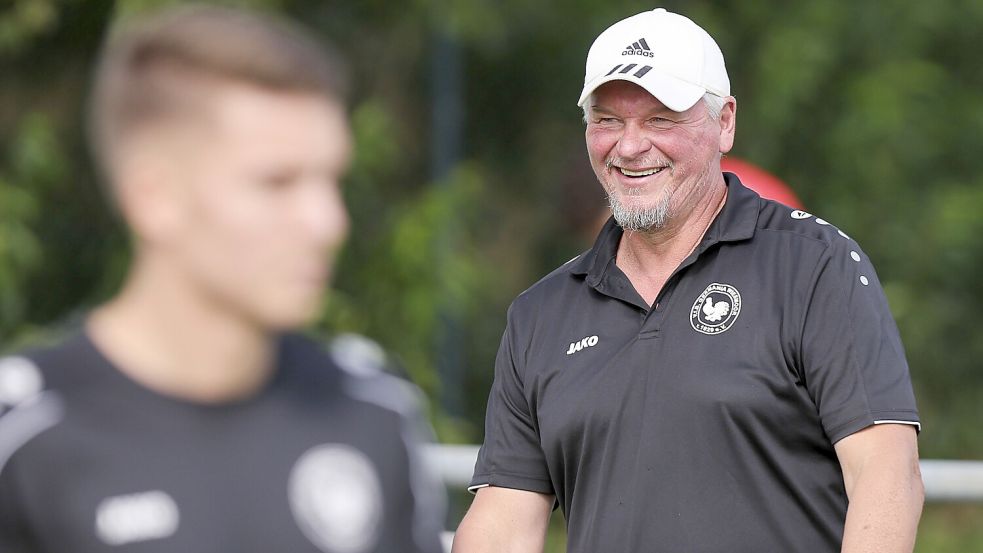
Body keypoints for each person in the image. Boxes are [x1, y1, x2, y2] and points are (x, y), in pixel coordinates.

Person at [454, 8, 922, 553]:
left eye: (659, 119)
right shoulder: (541, 315)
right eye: (607, 120)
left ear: (724, 122)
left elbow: (887, 478)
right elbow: (503, 524)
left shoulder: (814, 266)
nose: (629, 146)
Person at [0, 6, 444, 553]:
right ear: (153, 197)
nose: (328, 222)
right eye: (277, 182)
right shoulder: (24, 438)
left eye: (332, 180)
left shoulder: (373, 412)